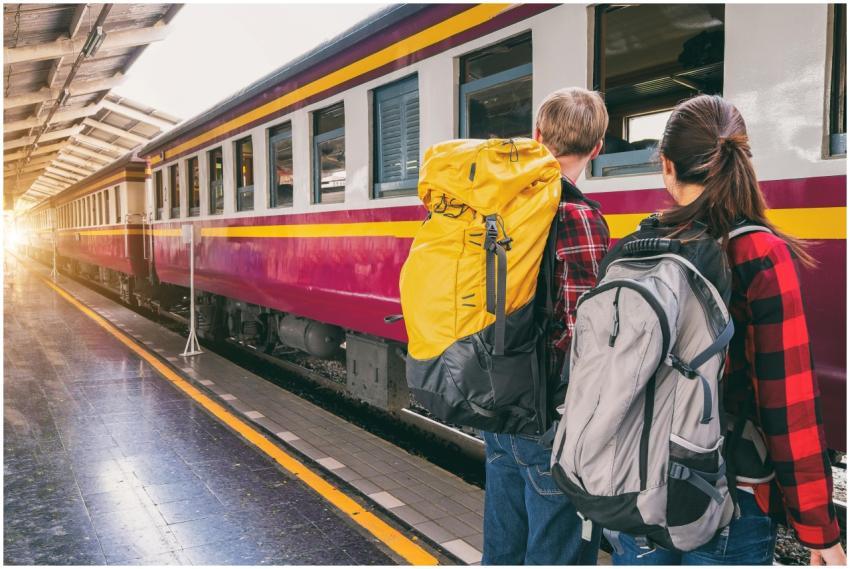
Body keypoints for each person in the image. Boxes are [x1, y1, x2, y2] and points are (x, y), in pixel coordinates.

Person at [611, 95, 846, 566]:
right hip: (726, 496)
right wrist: (817, 528)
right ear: (740, 160)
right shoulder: (759, 253)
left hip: (634, 485)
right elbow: (787, 404)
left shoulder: (634, 247)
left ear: (666, 166)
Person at [482, 87, 610, 565]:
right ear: (597, 148)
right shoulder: (578, 217)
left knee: (503, 550)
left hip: (500, 401)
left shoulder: (501, 207)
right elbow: (585, 334)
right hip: (551, 416)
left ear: (537, 136)